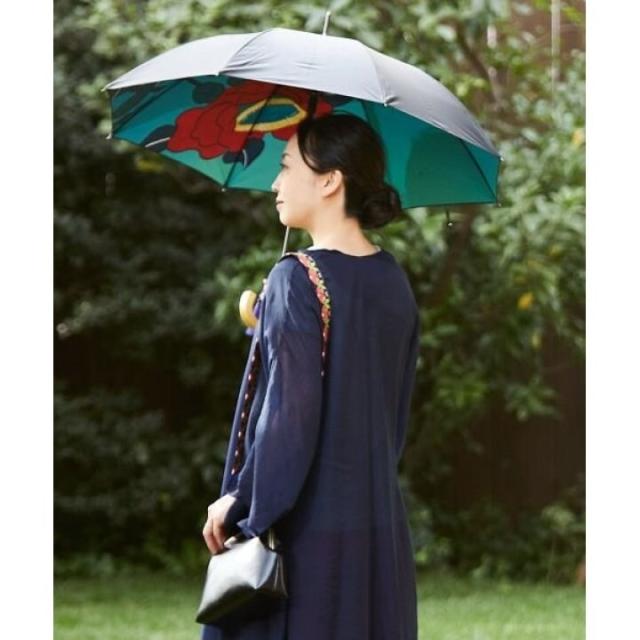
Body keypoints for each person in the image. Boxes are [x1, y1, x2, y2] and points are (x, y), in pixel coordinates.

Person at [200, 112, 420, 640]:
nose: (275, 184)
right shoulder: (394, 282)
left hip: (307, 540)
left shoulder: (295, 278)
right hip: (377, 533)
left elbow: (289, 419)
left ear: (329, 180)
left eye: (286, 167)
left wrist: (243, 503)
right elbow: (392, 414)